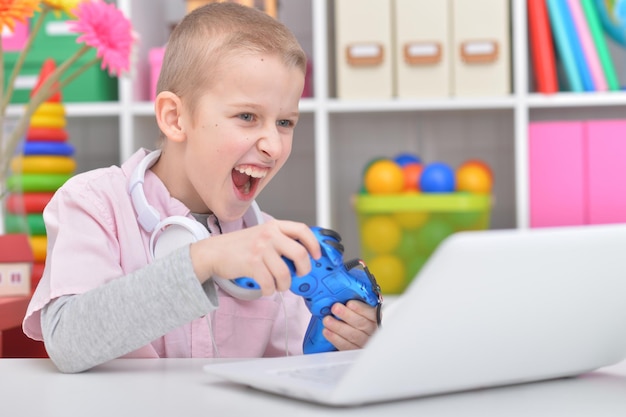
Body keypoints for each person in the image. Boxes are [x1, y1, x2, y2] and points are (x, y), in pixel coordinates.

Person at [22, 2, 380, 373]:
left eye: (286, 122)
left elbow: (295, 371)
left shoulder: (267, 245)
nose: (274, 145)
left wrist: (351, 340)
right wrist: (204, 259)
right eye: (247, 116)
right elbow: (68, 341)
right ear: (175, 118)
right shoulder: (93, 204)